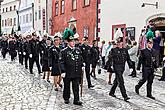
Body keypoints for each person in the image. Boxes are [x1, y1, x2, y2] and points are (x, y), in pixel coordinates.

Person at [61, 28, 83, 105]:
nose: (73, 43)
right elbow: (61, 62)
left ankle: (76, 100)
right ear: (68, 42)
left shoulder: (78, 50)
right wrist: (63, 71)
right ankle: (66, 98)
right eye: (71, 41)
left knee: (76, 87)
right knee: (67, 87)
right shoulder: (64, 51)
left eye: (74, 41)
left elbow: (80, 59)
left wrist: (82, 65)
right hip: (67, 72)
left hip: (76, 72)